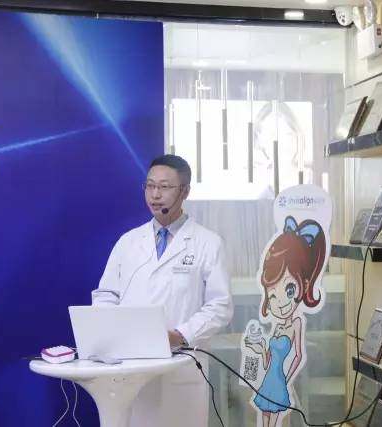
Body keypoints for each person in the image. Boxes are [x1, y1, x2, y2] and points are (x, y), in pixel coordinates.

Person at [92, 154, 233, 427]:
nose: (155, 195)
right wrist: (111, 328)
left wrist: (179, 335)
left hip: (180, 368)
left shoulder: (208, 243)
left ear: (185, 191)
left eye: (165, 187)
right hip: (130, 368)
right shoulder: (128, 242)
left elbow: (220, 306)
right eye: (150, 185)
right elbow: (106, 294)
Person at [245, 216, 326, 427]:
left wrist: (288, 379)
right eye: (272, 295)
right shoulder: (277, 326)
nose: (279, 303)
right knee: (265, 415)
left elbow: (298, 355)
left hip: (279, 379)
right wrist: (259, 348)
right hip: (269, 378)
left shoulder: (297, 323)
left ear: (303, 285)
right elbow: (267, 360)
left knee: (274, 417)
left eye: (289, 290)